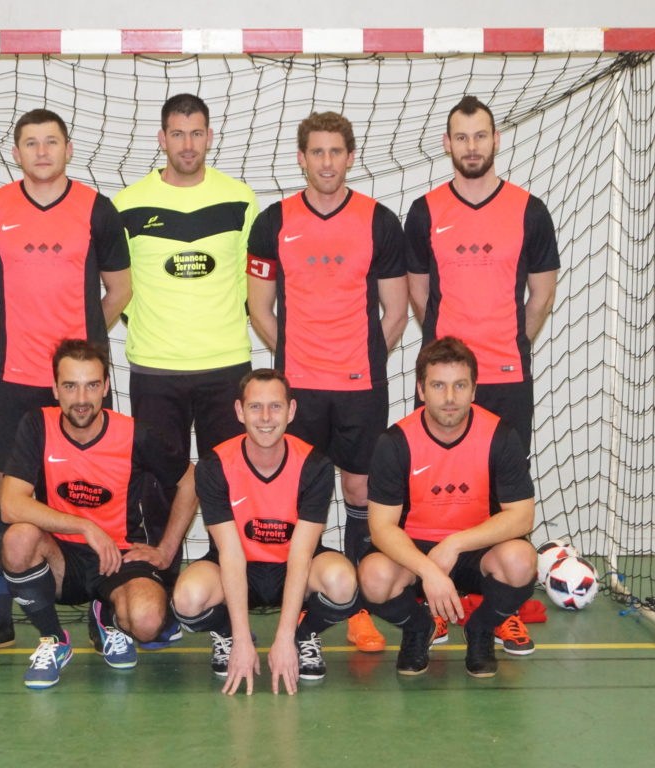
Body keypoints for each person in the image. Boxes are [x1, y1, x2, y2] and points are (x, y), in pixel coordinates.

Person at [0, 108, 132, 657]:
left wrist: (83, 354)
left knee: (100, 494)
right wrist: (16, 340)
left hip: (80, 387)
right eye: (31, 143)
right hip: (17, 380)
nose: (41, 151)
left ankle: (105, 606)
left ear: (68, 148)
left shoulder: (97, 209)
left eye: (51, 141)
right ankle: (1, 618)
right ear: (16, 153)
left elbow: (120, 290)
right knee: (8, 503)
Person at [246, 111, 408, 654]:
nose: (326, 162)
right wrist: (296, 359)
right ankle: (299, 612)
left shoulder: (379, 221)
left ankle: (358, 611)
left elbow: (395, 312)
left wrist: (361, 361)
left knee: (360, 492)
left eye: (336, 151)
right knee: (300, 496)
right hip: (299, 391)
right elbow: (259, 308)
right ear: (301, 158)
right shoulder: (272, 221)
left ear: (350, 157)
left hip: (360, 388)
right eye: (316, 152)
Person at [404, 95, 559, 655]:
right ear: (447, 144)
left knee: (502, 499)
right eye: (461, 137)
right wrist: (447, 364)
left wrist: (507, 346)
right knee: (433, 496)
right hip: (444, 383)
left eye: (481, 135)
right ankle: (437, 607)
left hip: (506, 375)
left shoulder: (529, 210)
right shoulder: (424, 210)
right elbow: (419, 295)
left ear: (496, 140)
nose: (472, 146)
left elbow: (541, 296)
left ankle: (498, 613)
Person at [0, 339, 198, 689]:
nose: (81, 398)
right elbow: (10, 504)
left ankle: (107, 616)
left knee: (148, 623)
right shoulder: (37, 425)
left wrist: (166, 550)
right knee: (17, 538)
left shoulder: (134, 434)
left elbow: (190, 481)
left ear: (106, 387)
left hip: (119, 556)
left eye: (91, 385)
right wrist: (85, 527)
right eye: (70, 386)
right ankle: (54, 640)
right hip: (62, 559)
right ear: (55, 389)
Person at [172, 369, 358, 695]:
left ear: (291, 410)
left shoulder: (315, 465)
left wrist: (285, 636)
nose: (266, 417)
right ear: (239, 411)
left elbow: (301, 554)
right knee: (187, 600)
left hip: (292, 565)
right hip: (239, 564)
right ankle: (228, 635)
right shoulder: (215, 465)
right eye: (255, 407)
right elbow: (230, 554)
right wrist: (242, 639)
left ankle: (304, 636)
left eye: (275, 406)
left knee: (343, 582)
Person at [359, 337, 537, 678]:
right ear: (421, 390)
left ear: (474, 390)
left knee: (521, 561)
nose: (450, 397)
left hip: (475, 548)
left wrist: (454, 544)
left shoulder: (499, 436)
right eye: (438, 386)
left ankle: (480, 629)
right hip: (414, 551)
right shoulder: (395, 442)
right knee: (374, 577)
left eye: (460, 385)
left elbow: (522, 517)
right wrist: (428, 571)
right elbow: (381, 528)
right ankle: (418, 628)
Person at [112, 93, 259, 462]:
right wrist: (151, 325)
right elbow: (120, 284)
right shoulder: (127, 204)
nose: (188, 145)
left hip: (226, 364)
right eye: (178, 134)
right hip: (155, 366)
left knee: (226, 479)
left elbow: (250, 281)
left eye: (196, 133)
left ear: (210, 136)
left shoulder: (240, 199)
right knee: (158, 481)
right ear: (162, 139)